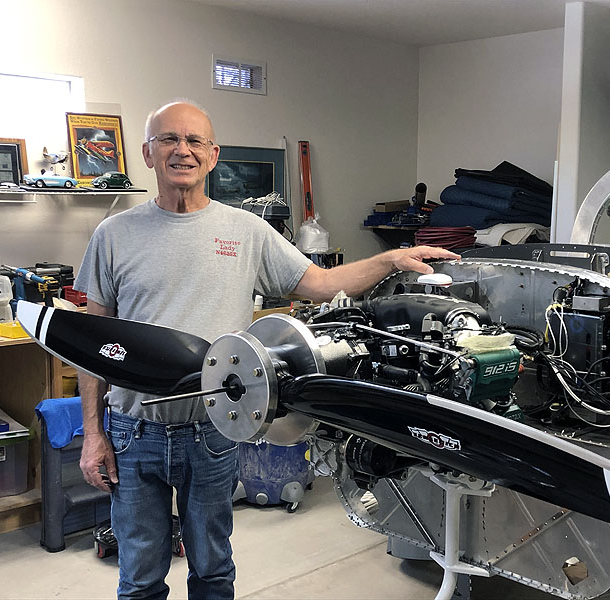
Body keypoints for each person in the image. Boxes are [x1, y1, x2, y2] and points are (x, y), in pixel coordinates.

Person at [74, 100, 460, 599]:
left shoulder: (247, 231)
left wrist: (390, 259)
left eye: (194, 141)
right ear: (148, 153)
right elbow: (91, 346)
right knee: (139, 576)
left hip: (213, 430)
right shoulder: (113, 234)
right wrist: (92, 434)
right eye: (168, 139)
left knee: (212, 570)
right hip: (134, 431)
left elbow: (321, 284)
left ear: (213, 155)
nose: (182, 151)